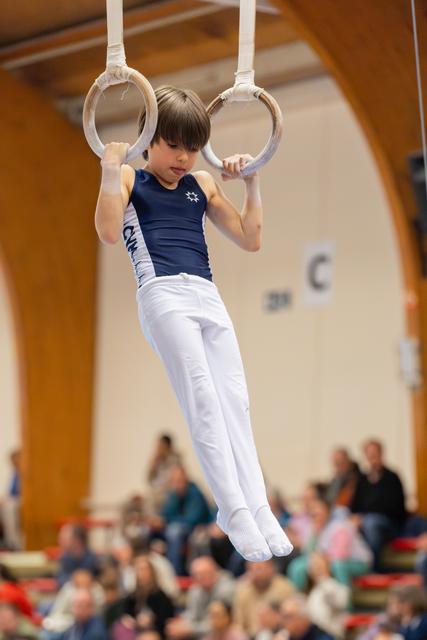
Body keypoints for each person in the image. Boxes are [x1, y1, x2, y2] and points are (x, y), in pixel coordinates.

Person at [94, 85, 293, 563]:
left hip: (207, 294)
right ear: (148, 139)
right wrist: (106, 171)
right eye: (173, 145)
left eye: (192, 146)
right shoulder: (127, 178)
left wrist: (252, 181)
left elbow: (250, 239)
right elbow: (106, 233)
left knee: (236, 401)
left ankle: (258, 506)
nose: (184, 157)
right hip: (162, 295)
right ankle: (233, 510)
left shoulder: (201, 184)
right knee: (202, 397)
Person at [287, 497, 372, 590]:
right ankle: (299, 598)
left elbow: (340, 554)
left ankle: (344, 601)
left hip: (358, 562)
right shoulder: (313, 527)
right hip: (327, 561)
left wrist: (320, 560)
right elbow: (307, 552)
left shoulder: (339, 526)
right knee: (297, 565)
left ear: (327, 511)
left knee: (338, 565)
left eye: (318, 509)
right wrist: (315, 534)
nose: (315, 513)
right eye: (313, 510)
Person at [350, 440, 407, 569]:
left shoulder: (392, 477)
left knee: (371, 523)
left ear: (381, 454)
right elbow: (354, 506)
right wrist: (355, 517)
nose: (373, 459)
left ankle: (373, 566)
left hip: (390, 524)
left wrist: (365, 516)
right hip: (365, 521)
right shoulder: (362, 480)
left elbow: (397, 508)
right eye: (369, 456)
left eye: (375, 455)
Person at [105, 554, 174, 638]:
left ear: (151, 571)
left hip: (154, 632)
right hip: (135, 630)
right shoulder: (133, 595)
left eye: (144, 569)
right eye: (137, 570)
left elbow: (166, 621)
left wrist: (152, 621)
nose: (141, 573)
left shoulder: (160, 596)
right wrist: (130, 620)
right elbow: (127, 613)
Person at [166, 556, 235, 640]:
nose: (201, 577)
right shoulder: (196, 589)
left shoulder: (226, 589)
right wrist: (180, 623)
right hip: (201, 631)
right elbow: (192, 614)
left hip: (223, 633)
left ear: (215, 571)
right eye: (197, 575)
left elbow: (217, 623)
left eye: (205, 573)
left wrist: (189, 629)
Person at [233, 560, 294, 636]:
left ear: (271, 568)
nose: (257, 574)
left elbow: (292, 620)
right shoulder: (242, 591)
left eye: (259, 569)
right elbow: (238, 624)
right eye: (252, 570)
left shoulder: (284, 588)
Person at [147, 435, 181, 514]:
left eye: (160, 446)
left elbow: (173, 483)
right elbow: (149, 481)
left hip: (167, 494)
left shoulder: (175, 460)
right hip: (154, 493)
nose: (158, 449)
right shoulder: (157, 460)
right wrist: (152, 467)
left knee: (152, 501)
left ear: (167, 447)